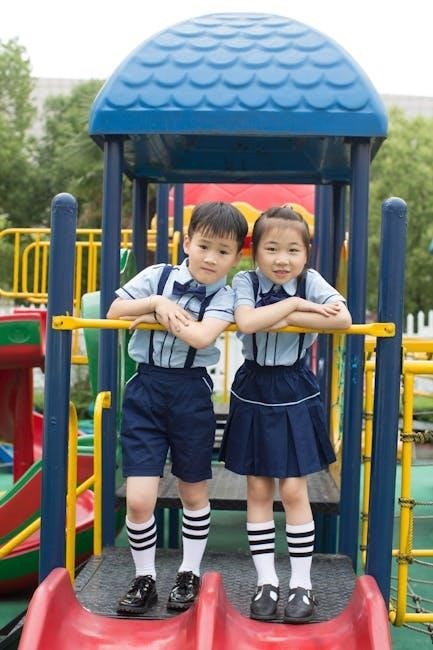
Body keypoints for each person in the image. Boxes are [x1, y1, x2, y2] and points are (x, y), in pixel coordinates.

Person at [107, 201, 248, 616]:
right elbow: (115, 309)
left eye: (223, 251)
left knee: (193, 489)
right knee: (139, 499)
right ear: (187, 242)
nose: (211, 258)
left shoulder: (227, 295)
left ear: (236, 257)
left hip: (190, 394)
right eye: (204, 246)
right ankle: (144, 576)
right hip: (145, 390)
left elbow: (202, 338)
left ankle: (189, 571)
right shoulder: (158, 277)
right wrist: (156, 302)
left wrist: (158, 313)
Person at [219, 205, 352, 624]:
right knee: (258, 488)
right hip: (254, 386)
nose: (282, 259)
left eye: (293, 250)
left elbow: (344, 319)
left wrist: (286, 313)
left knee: (294, 489)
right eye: (271, 248)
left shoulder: (312, 280)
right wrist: (296, 306)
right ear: (254, 252)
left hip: (294, 385)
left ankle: (301, 584)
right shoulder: (245, 281)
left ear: (306, 253)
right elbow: (247, 321)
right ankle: (266, 582)